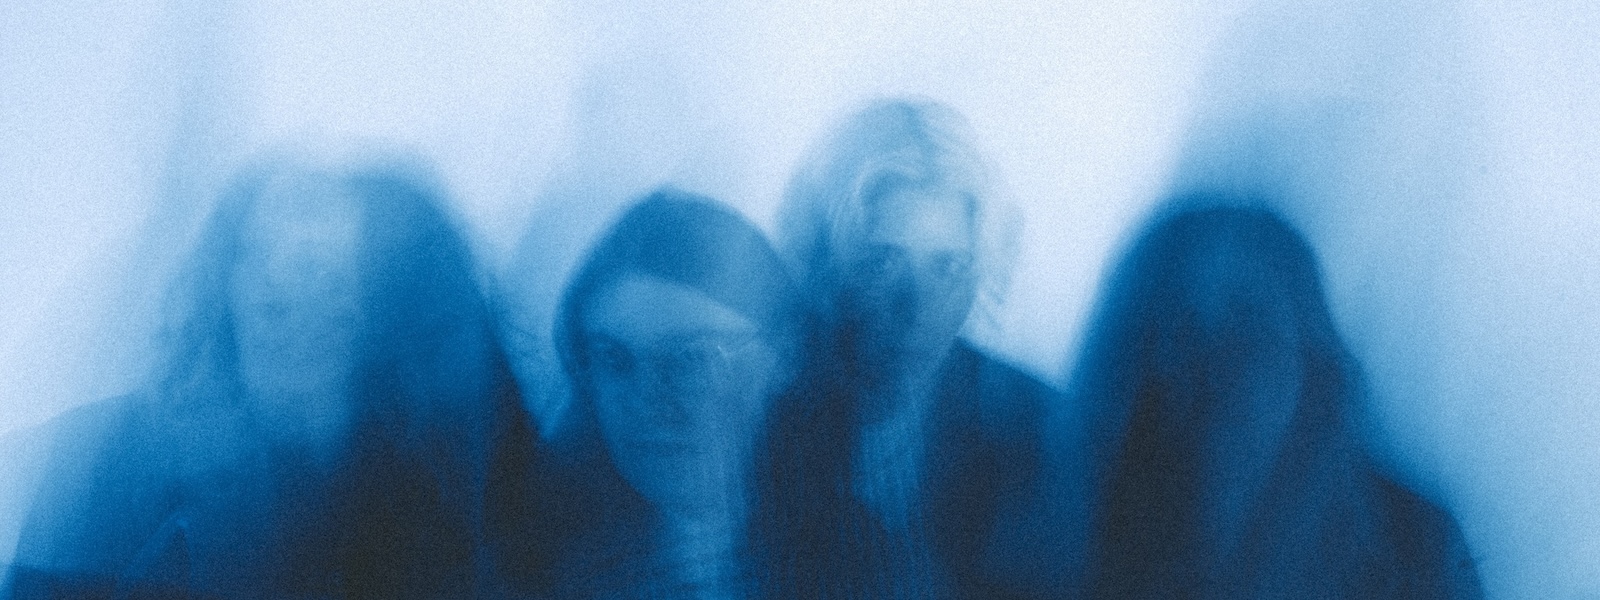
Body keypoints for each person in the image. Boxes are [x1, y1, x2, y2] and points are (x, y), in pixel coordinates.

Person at [5, 160, 537, 599]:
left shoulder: (461, 499)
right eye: (264, 257)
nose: (290, 293)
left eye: (337, 278)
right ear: (224, 286)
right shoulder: (105, 466)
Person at [1078, 203, 1483, 598]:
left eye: (1245, 331)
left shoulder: (1415, 549)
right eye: (1184, 334)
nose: (1214, 370)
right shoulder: (1085, 526)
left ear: (1310, 356)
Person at [761, 98, 1057, 598]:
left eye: (948, 267)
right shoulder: (761, 420)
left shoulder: (1036, 426)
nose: (917, 307)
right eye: (883, 262)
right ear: (827, 263)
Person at [497, 189, 803, 599]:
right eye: (614, 360)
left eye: (693, 358)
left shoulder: (861, 556)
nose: (646, 401)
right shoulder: (538, 572)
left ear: (785, 357)